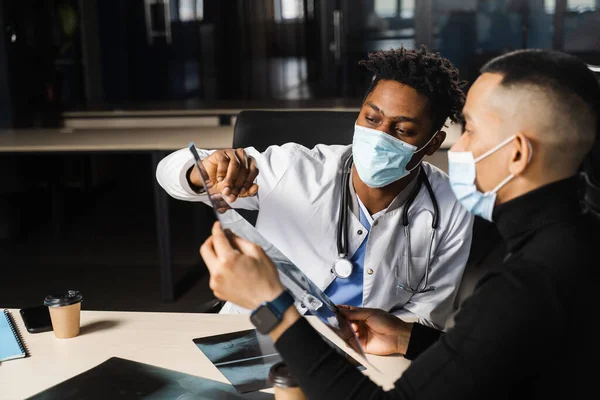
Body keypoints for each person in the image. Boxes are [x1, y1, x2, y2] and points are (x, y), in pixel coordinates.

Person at [199, 48, 600, 399]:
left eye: (472, 130)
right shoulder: (574, 244)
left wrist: (272, 305)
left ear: (516, 155)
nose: (459, 148)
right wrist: (410, 338)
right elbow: (495, 360)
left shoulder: (524, 285)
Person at [156, 46, 473, 333]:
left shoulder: (451, 205)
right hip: (258, 332)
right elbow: (169, 173)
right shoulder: (295, 168)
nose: (380, 136)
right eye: (372, 118)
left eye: (402, 130)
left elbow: (428, 313)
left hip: (366, 347)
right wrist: (203, 170)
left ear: (433, 143)